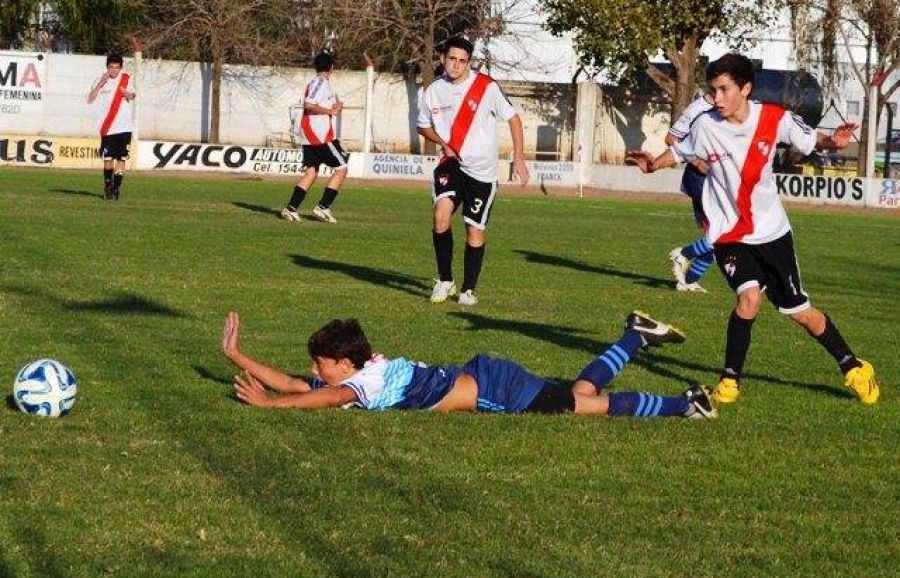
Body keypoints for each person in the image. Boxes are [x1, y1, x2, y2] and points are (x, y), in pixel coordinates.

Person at [627, 53, 879, 405]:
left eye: (723, 90)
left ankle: (853, 365)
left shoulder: (773, 119)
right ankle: (730, 379)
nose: (716, 98)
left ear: (745, 89)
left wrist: (832, 142)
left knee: (801, 313)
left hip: (772, 234)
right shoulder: (706, 125)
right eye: (712, 90)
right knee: (748, 300)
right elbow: (681, 153)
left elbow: (810, 140)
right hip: (730, 235)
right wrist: (653, 164)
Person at [220, 310, 717, 419]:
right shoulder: (360, 369)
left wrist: (268, 406)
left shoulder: (360, 382)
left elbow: (325, 396)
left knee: (590, 407)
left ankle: (685, 404)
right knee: (580, 395)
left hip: (496, 388)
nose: (316, 370)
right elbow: (296, 383)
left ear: (345, 364)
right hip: (488, 375)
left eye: (322, 363)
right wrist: (238, 356)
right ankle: (634, 336)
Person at [416, 36, 530, 306]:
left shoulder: (485, 87)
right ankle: (445, 281)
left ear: (469, 63)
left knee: (473, 230)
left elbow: (513, 119)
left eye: (462, 61)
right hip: (452, 165)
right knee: (440, 216)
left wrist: (520, 158)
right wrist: (443, 143)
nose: (456, 65)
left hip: (482, 172)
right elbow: (422, 126)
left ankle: (468, 289)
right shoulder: (433, 90)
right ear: (443, 59)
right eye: (452, 59)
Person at [280, 52, 348, 224]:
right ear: (331, 67)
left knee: (311, 172)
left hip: (310, 135)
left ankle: (291, 209)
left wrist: (334, 107)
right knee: (342, 168)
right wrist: (331, 111)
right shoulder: (321, 82)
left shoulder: (318, 83)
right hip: (318, 135)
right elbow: (309, 104)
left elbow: (317, 104)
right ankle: (324, 206)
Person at [665, 91, 716, 293]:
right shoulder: (697, 108)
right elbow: (670, 139)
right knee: (725, 231)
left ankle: (689, 280)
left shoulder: (727, 107)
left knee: (716, 238)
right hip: (699, 178)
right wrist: (696, 160)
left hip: (715, 179)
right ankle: (684, 254)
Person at [87, 52, 136, 201]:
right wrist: (101, 84)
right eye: (111, 67)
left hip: (124, 127)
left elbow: (133, 95)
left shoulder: (127, 79)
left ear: (120, 67)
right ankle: (108, 185)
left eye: (117, 67)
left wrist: (126, 93)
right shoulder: (100, 80)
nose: (114, 70)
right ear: (107, 67)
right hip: (107, 127)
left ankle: (117, 188)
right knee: (108, 159)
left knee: (121, 159)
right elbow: (90, 99)